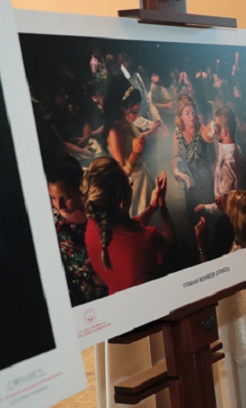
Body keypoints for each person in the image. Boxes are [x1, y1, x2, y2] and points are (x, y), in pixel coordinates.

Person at [83, 156, 176, 295]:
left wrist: (151, 207)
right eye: (129, 184)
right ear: (122, 201)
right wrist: (162, 204)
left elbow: (128, 228)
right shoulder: (148, 239)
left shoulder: (93, 226)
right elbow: (172, 244)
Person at [46, 155, 107, 306]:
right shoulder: (53, 224)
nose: (58, 205)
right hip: (82, 296)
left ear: (79, 189)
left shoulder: (96, 207)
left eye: (64, 197)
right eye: (52, 198)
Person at [195, 106, 244, 260]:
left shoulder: (229, 163)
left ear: (224, 132)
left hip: (228, 220)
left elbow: (224, 204)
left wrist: (206, 208)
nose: (214, 130)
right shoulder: (233, 147)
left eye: (217, 128)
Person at [105, 84, 161, 217]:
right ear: (123, 109)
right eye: (134, 111)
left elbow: (137, 138)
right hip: (134, 186)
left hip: (143, 176)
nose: (137, 116)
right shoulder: (114, 132)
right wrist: (135, 153)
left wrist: (151, 132)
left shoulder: (126, 123)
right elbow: (122, 173)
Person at [172, 94, 215, 214]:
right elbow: (175, 157)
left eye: (193, 112)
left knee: (208, 216)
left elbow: (207, 136)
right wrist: (175, 170)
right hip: (189, 185)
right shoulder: (177, 134)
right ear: (181, 116)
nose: (191, 116)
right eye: (187, 113)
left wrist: (210, 132)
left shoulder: (200, 128)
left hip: (205, 184)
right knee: (192, 216)